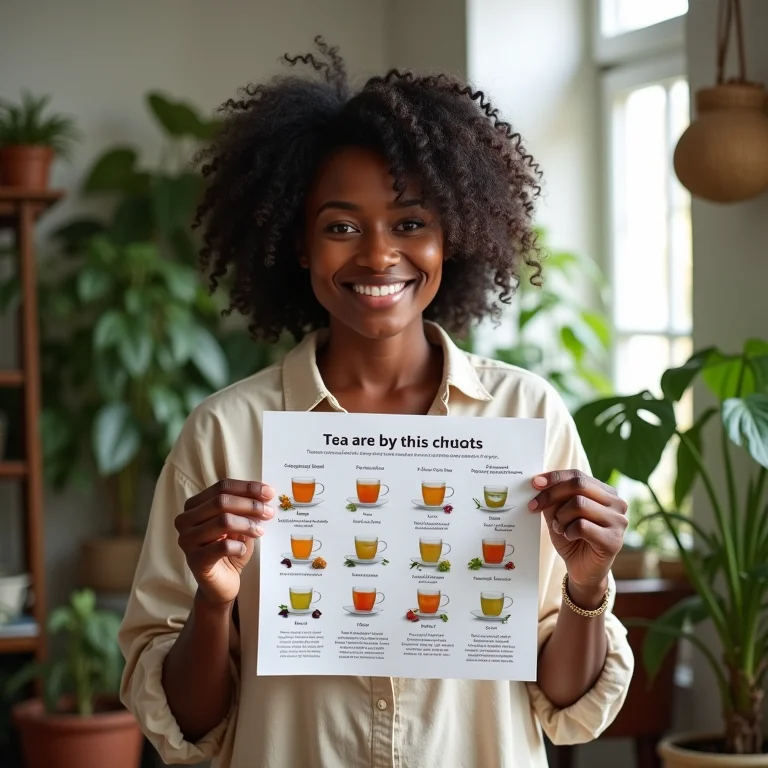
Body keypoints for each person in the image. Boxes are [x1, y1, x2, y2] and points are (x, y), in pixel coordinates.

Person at [119, 38, 633, 768]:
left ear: (452, 235)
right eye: (340, 227)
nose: (377, 255)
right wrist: (213, 599)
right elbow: (189, 726)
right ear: (299, 244)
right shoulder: (227, 434)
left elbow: (564, 707)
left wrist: (586, 584)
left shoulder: (528, 415)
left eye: (410, 223)